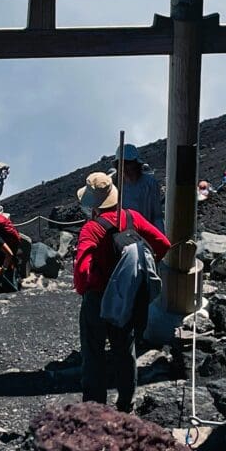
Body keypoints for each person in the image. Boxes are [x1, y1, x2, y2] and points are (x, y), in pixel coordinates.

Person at [74, 172, 170, 412]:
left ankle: (95, 409)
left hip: (98, 298)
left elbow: (81, 271)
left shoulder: (91, 229)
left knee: (93, 352)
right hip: (127, 296)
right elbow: (163, 244)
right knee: (124, 350)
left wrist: (87, 287)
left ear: (92, 203)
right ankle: (126, 403)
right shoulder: (132, 217)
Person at [112, 143, 165, 232]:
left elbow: (157, 216)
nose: (126, 167)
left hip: (145, 233)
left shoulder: (149, 183)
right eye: (122, 164)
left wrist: (161, 238)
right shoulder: (114, 185)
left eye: (129, 163)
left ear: (136, 164)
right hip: (122, 236)